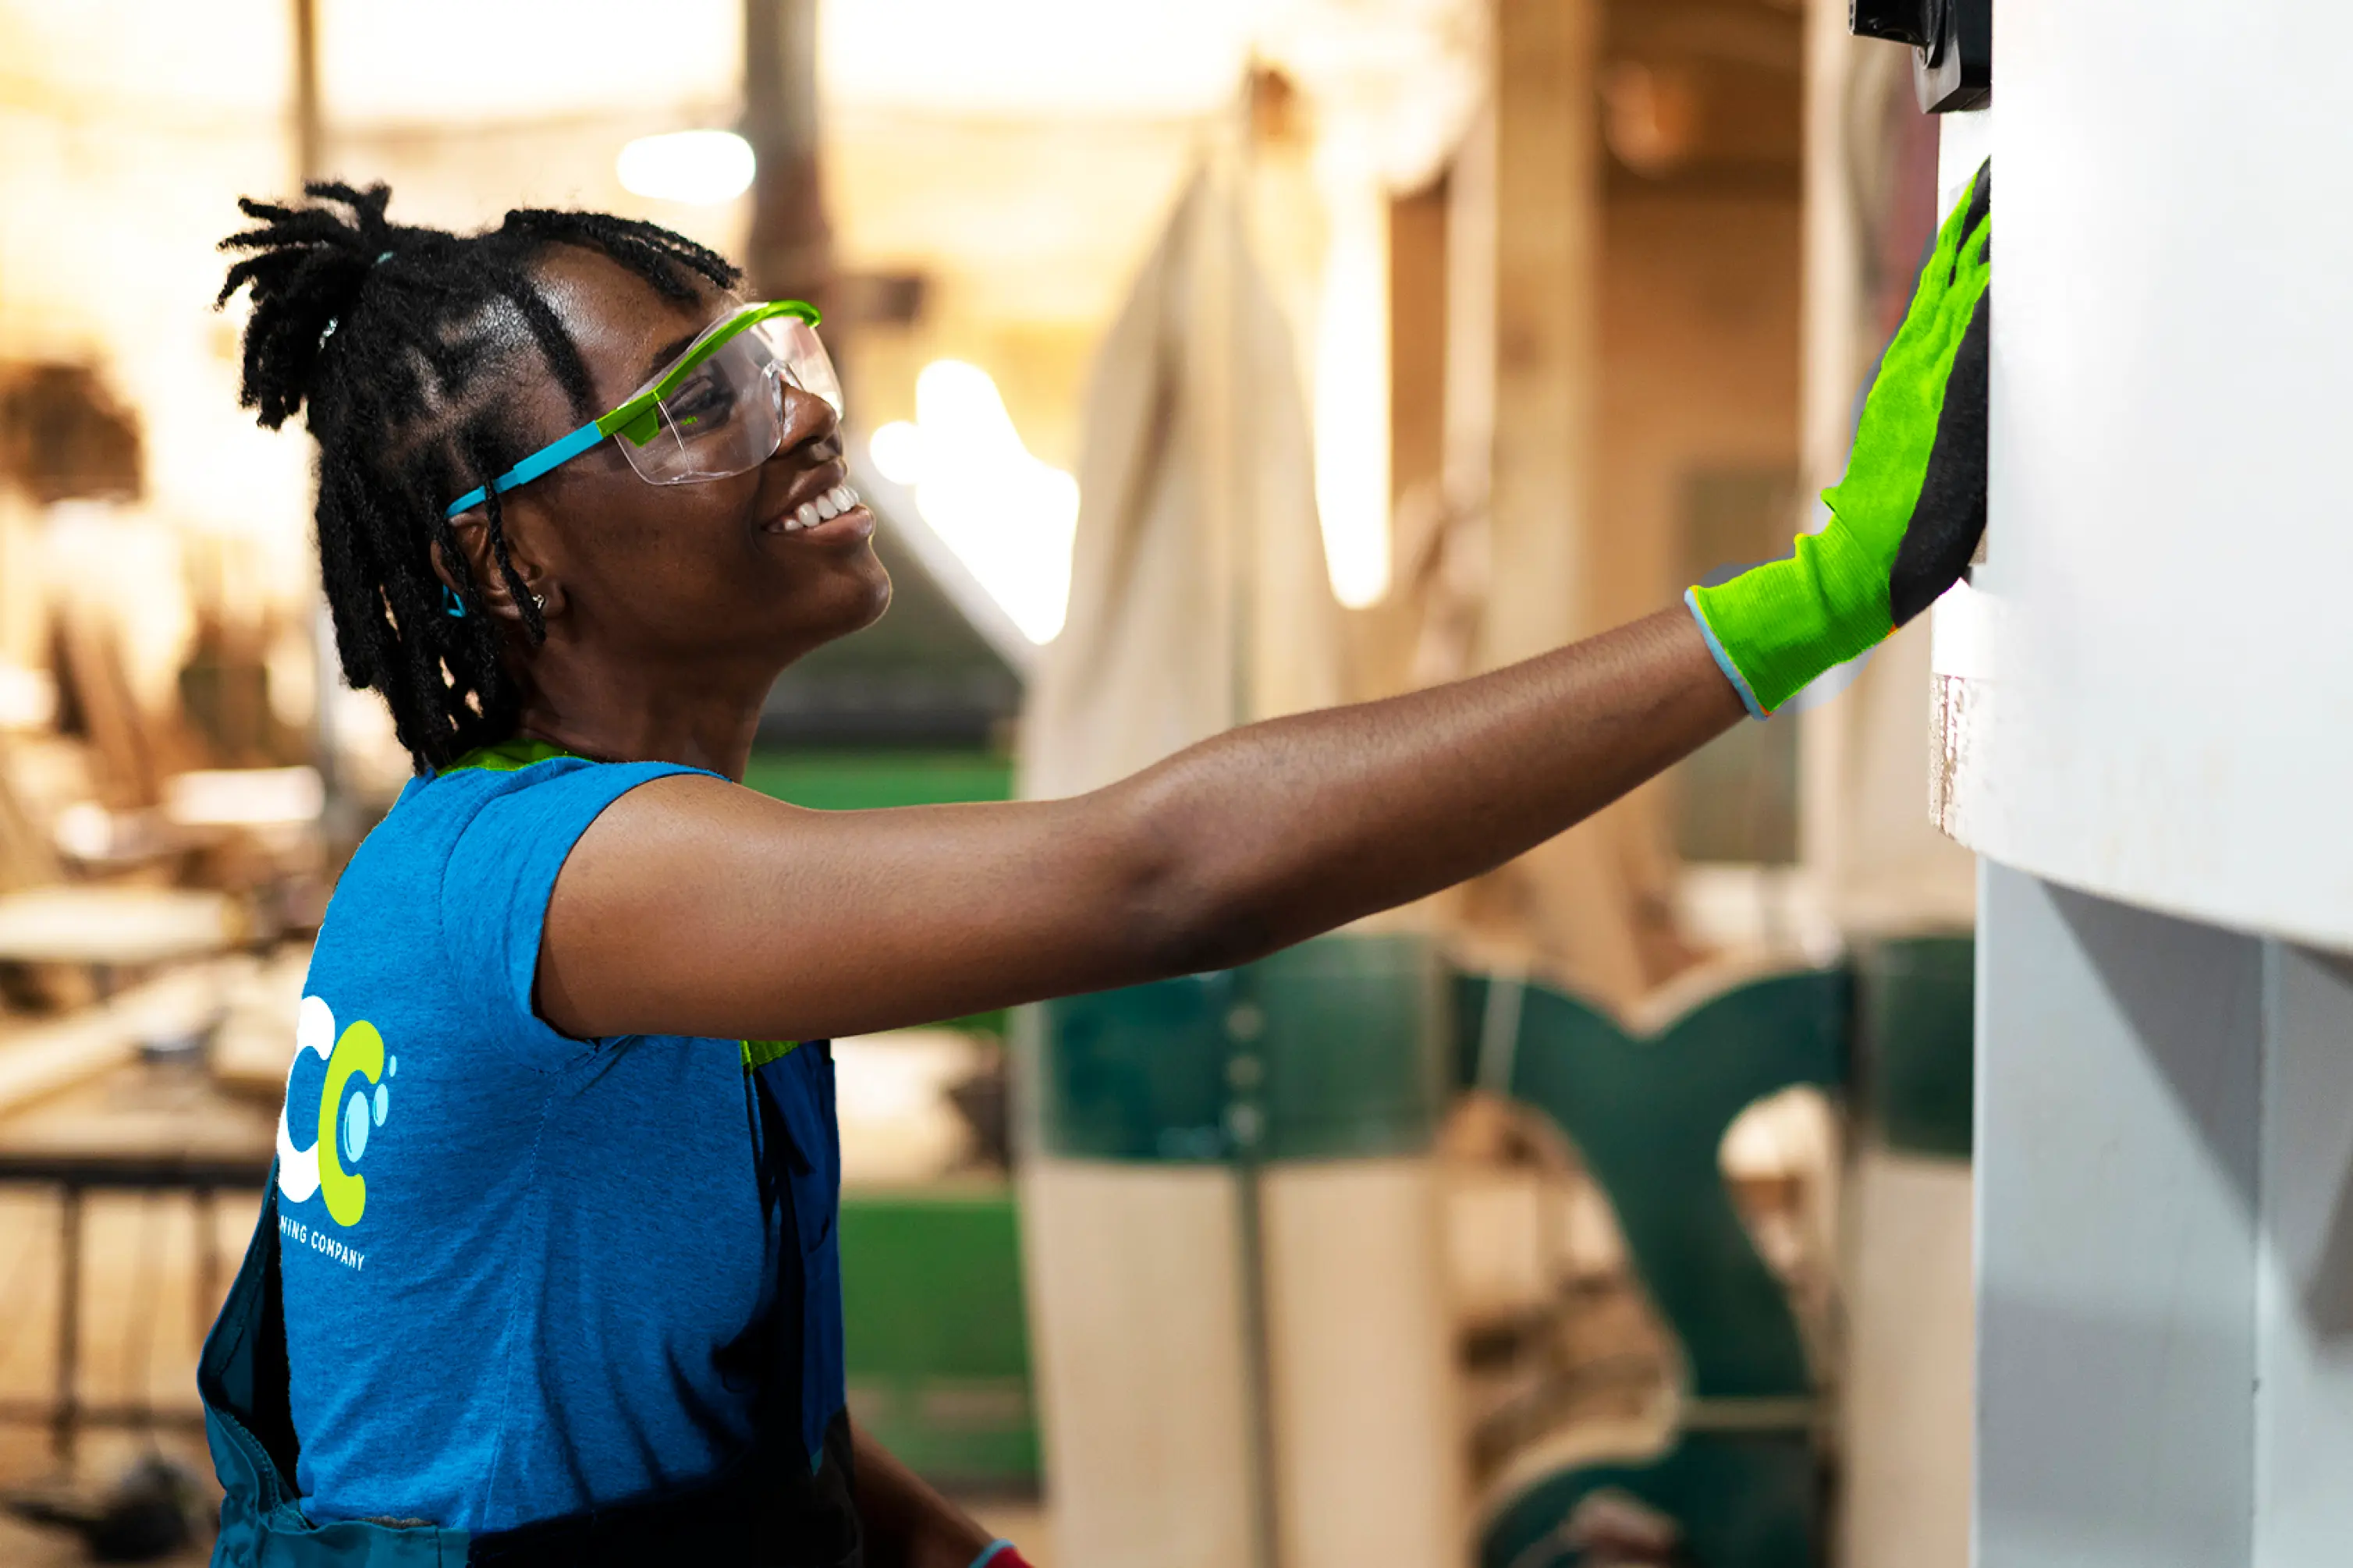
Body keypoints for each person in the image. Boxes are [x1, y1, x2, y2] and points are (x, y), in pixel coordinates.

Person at [198, 168, 1988, 1568]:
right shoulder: (556, 877)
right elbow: (1164, 878)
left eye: (776, 358)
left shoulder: (621, 878)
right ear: (509, 565)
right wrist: (1811, 600)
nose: (799, 417)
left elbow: (740, 1432)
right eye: (689, 404)